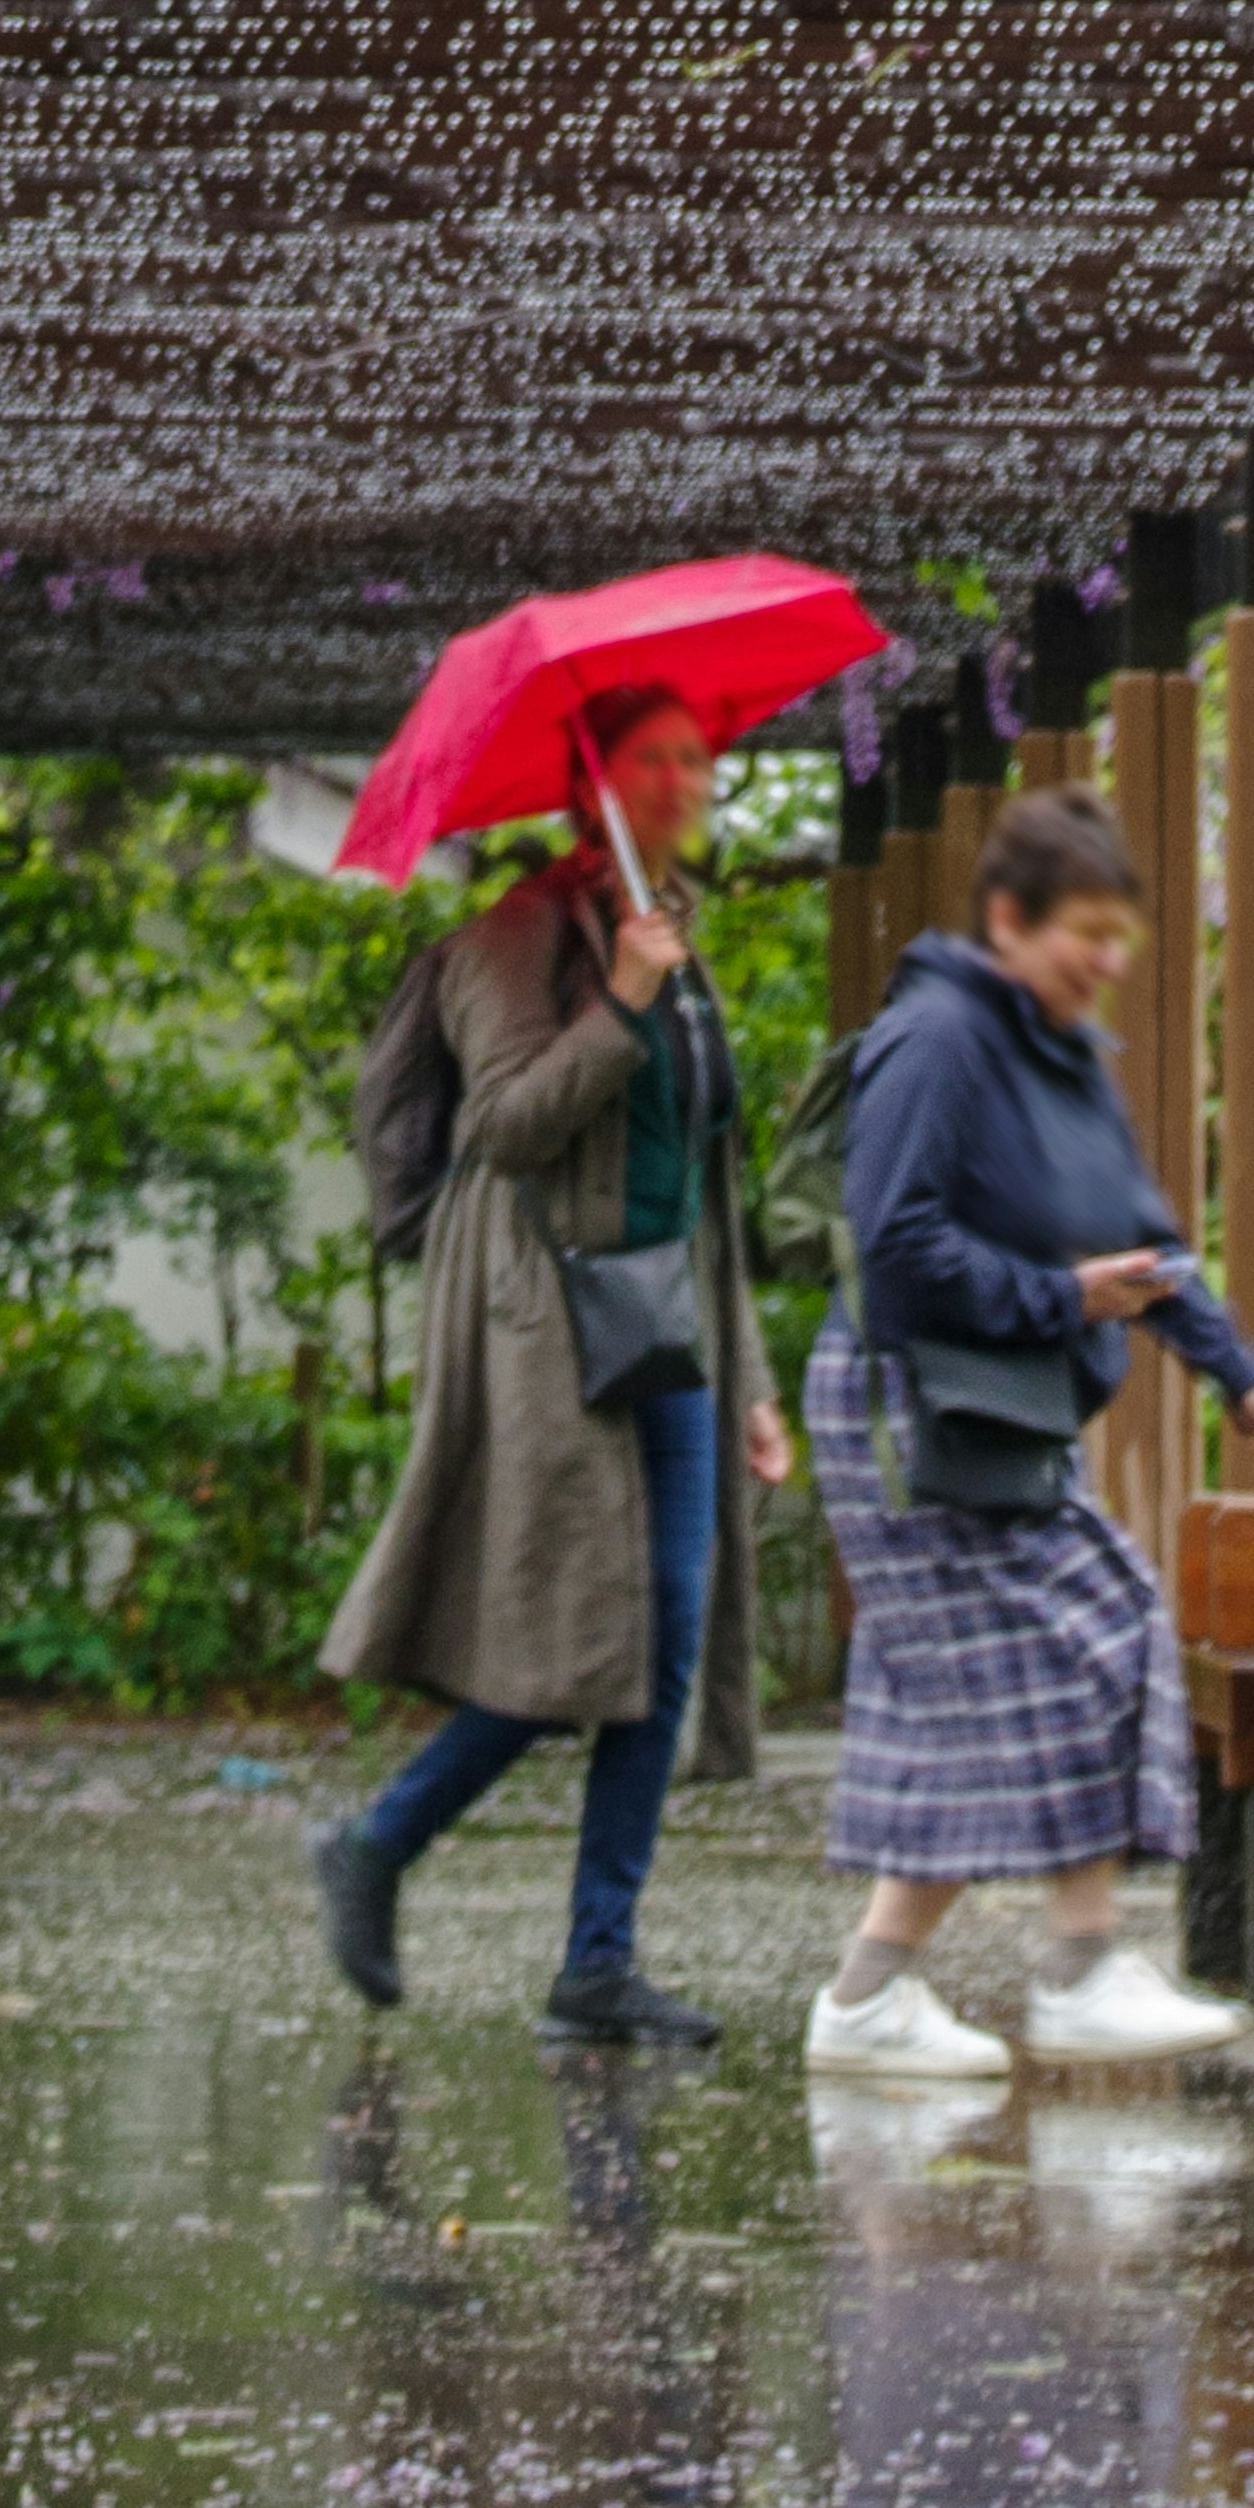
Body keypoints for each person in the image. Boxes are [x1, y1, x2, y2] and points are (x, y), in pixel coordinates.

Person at [804, 782, 1254, 2083]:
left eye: (1118, 934)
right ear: (1006, 918)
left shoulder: (1067, 1056)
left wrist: (1244, 1377)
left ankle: (870, 1998)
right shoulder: (934, 1041)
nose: (1103, 959)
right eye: (1080, 931)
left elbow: (1141, 1243)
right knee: (1101, 1622)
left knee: (961, 1701)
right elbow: (895, 1244)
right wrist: (1061, 1297)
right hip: (905, 1405)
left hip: (1002, 1399)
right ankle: (1082, 1963)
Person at [310, 683, 794, 2049]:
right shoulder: (516, 936)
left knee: (666, 1637)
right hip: (549, 1329)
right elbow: (509, 1125)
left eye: (699, 756)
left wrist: (751, 1375)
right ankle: (376, 1843)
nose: (687, 777)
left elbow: (706, 1180)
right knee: (571, 1637)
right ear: (594, 784)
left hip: (671, 1331)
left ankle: (597, 1962)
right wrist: (620, 999)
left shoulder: (673, 939)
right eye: (659, 755)